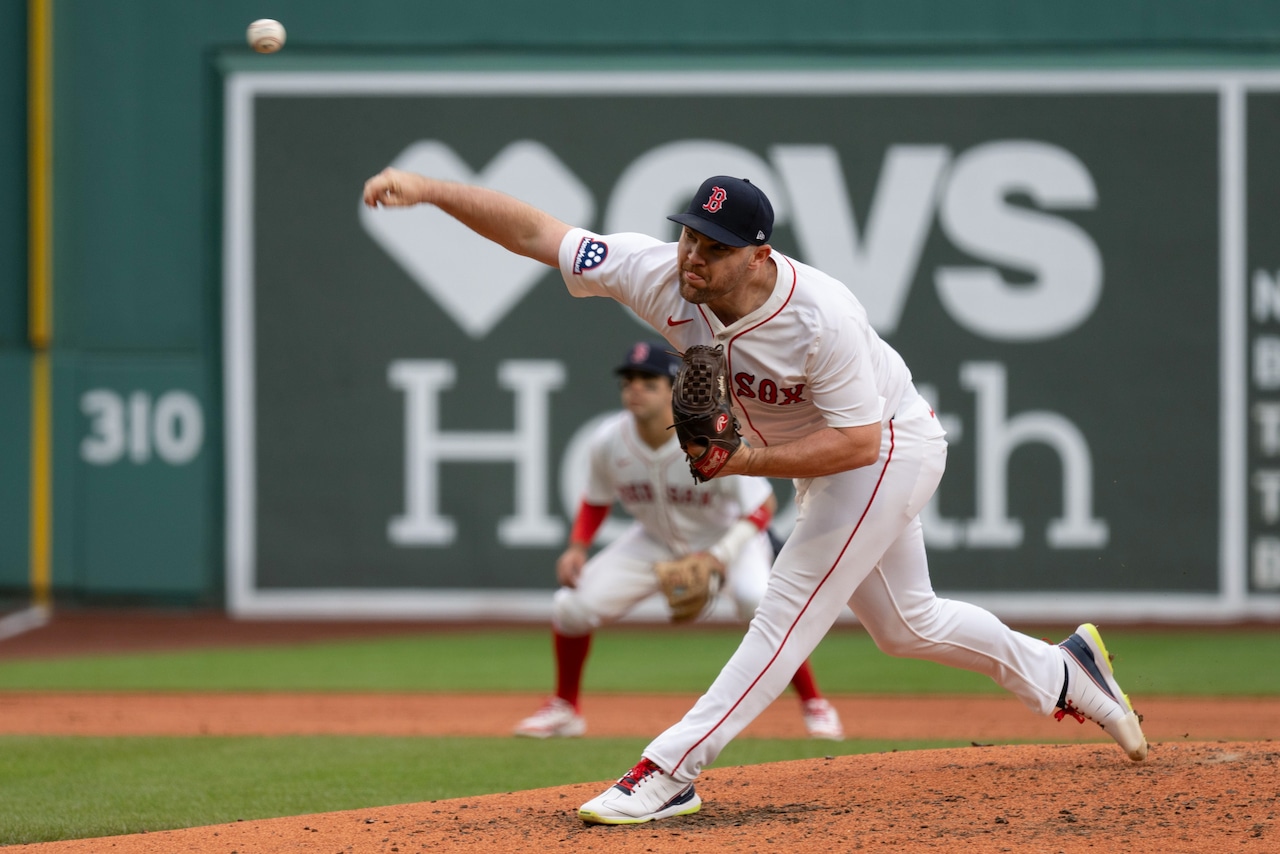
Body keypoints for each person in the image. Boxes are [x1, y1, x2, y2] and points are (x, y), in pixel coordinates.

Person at [362, 169, 1149, 825]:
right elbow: (539, 233)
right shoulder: (659, 274)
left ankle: (669, 770)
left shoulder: (822, 318)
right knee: (907, 626)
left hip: (889, 447)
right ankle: (1065, 671)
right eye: (689, 236)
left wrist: (741, 461)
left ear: (759, 255)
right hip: (822, 457)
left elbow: (859, 443)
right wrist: (431, 191)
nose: (693, 256)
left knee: (787, 606)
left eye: (715, 246)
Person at [513, 340, 844, 742]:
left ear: (673, 389)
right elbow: (596, 500)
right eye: (628, 380)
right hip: (654, 541)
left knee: (757, 603)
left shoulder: (707, 435)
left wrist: (719, 556)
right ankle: (565, 708)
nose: (635, 388)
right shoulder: (608, 440)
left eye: (648, 380)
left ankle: (814, 703)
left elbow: (762, 506)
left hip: (727, 539)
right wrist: (577, 546)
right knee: (572, 606)